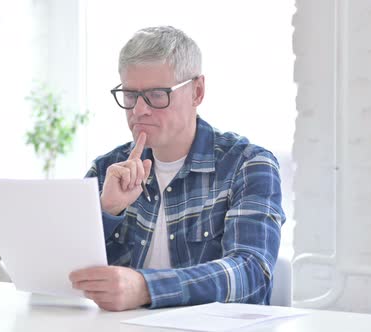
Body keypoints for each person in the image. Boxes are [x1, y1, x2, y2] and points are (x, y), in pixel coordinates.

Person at [69, 26, 285, 312]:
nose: (138, 110)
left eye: (157, 95)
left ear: (197, 91)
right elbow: (68, 273)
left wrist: (146, 288)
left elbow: (252, 271)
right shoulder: (107, 168)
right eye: (130, 95)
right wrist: (107, 210)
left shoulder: (249, 165)